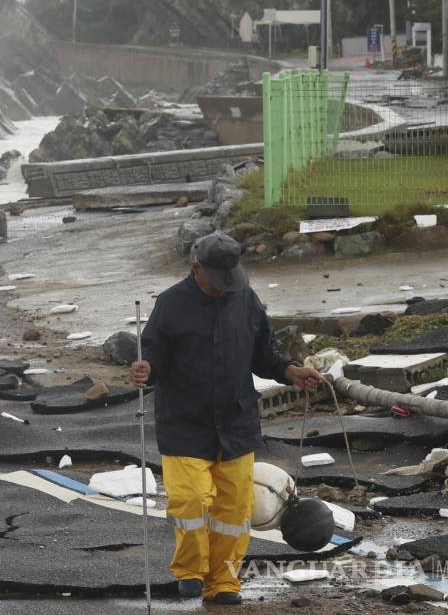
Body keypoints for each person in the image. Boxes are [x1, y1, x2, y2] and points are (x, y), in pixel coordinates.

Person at [130, 233, 323, 605]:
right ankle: (190, 570)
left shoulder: (246, 300)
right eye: (217, 279)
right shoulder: (170, 304)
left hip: (236, 421)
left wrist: (289, 371)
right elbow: (152, 354)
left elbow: (263, 353)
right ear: (196, 267)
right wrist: (146, 369)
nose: (224, 288)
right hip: (184, 422)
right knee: (190, 500)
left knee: (234, 510)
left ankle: (225, 580)